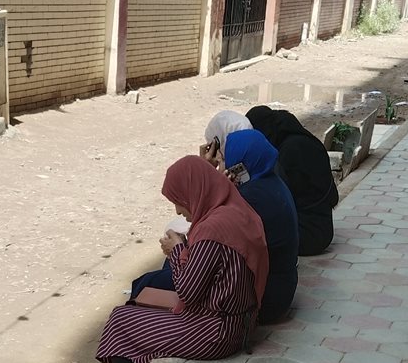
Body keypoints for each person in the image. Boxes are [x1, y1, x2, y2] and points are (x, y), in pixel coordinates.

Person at [95, 156, 267, 363]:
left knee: (120, 321)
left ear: (194, 193)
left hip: (217, 333)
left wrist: (176, 250)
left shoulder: (212, 230)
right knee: (140, 304)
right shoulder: (236, 211)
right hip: (241, 323)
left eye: (179, 201)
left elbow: (187, 292)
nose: (178, 210)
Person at [128, 128, 299, 325]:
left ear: (240, 168)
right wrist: (207, 175)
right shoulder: (266, 183)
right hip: (272, 289)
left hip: (257, 302)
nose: (218, 160)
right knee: (166, 271)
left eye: (223, 157)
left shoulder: (245, 202)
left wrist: (177, 251)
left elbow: (190, 289)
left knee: (147, 284)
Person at [221, 129, 299, 324]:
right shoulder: (270, 181)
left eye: (224, 158)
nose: (223, 164)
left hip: (266, 299)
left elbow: (216, 233)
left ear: (239, 166)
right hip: (282, 289)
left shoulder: (252, 197)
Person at [246, 106, 337, 255]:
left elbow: (279, 200)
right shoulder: (304, 141)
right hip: (322, 229)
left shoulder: (290, 151)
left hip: (307, 235)